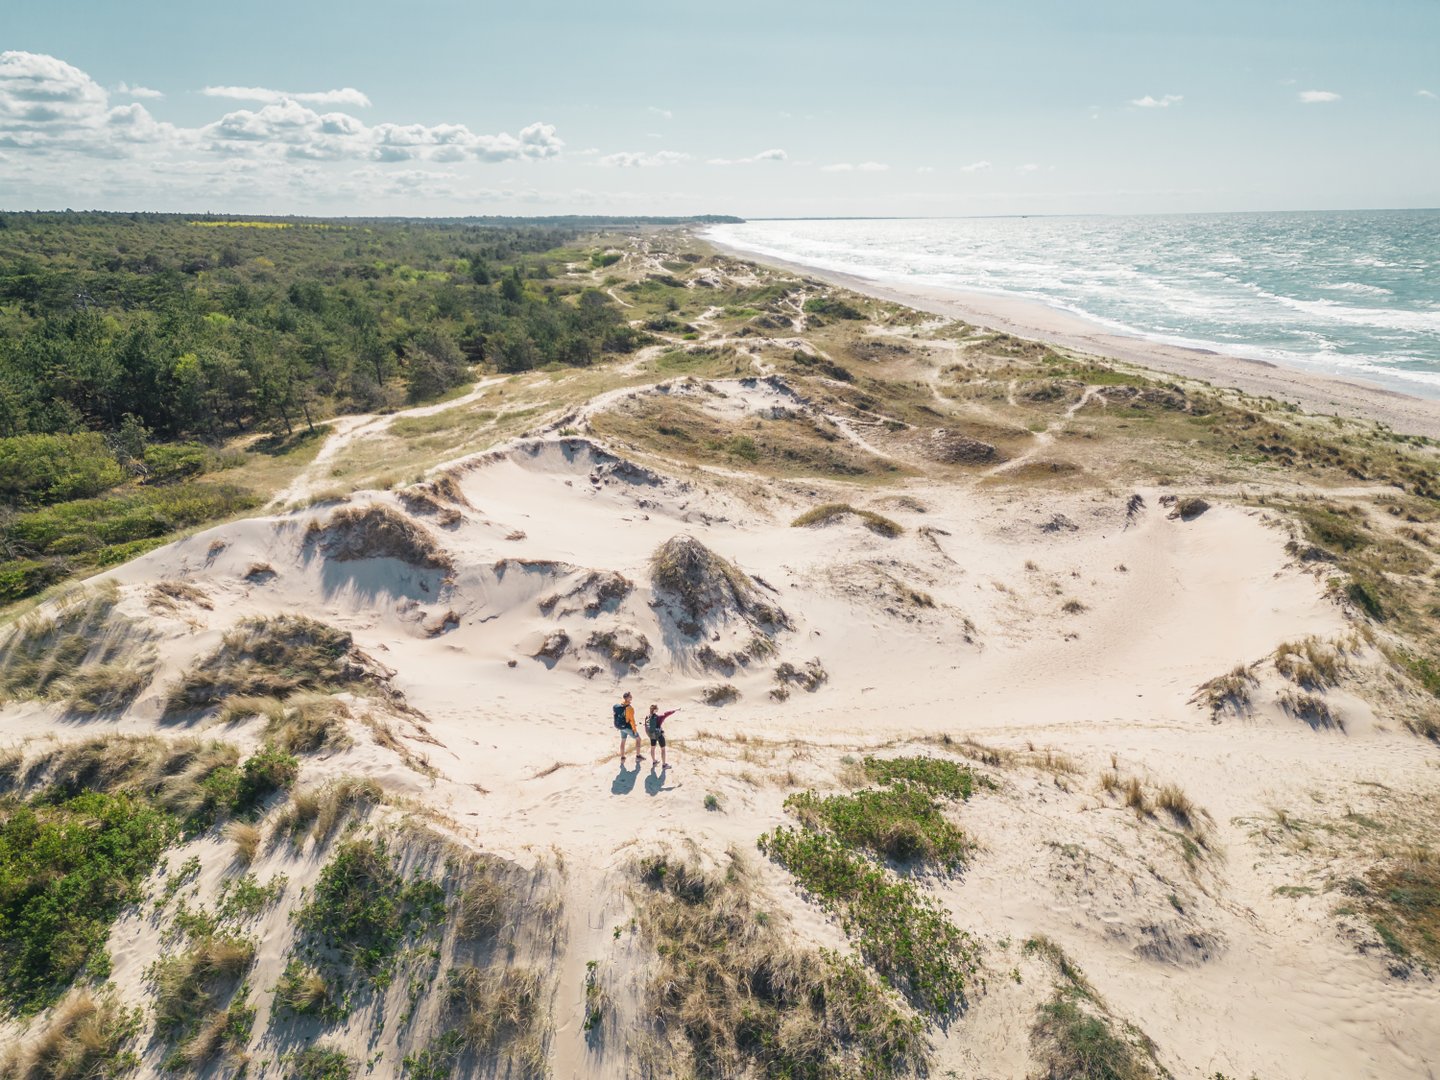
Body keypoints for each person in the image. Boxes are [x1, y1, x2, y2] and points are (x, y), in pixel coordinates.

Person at [644, 704, 678, 768]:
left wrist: (650, 735)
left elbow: (646, 727)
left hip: (652, 735)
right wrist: (673, 711)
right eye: (657, 709)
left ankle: (654, 761)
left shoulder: (647, 717)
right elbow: (666, 714)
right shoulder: (659, 717)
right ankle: (664, 764)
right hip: (659, 735)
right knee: (663, 749)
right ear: (655, 710)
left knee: (652, 748)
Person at [614, 691, 644, 760]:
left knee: (623, 740)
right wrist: (635, 730)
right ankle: (638, 756)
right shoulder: (630, 708)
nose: (631, 697)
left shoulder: (621, 705)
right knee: (638, 739)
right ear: (627, 698)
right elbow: (632, 720)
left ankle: (622, 757)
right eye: (630, 696)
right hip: (627, 726)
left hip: (621, 726)